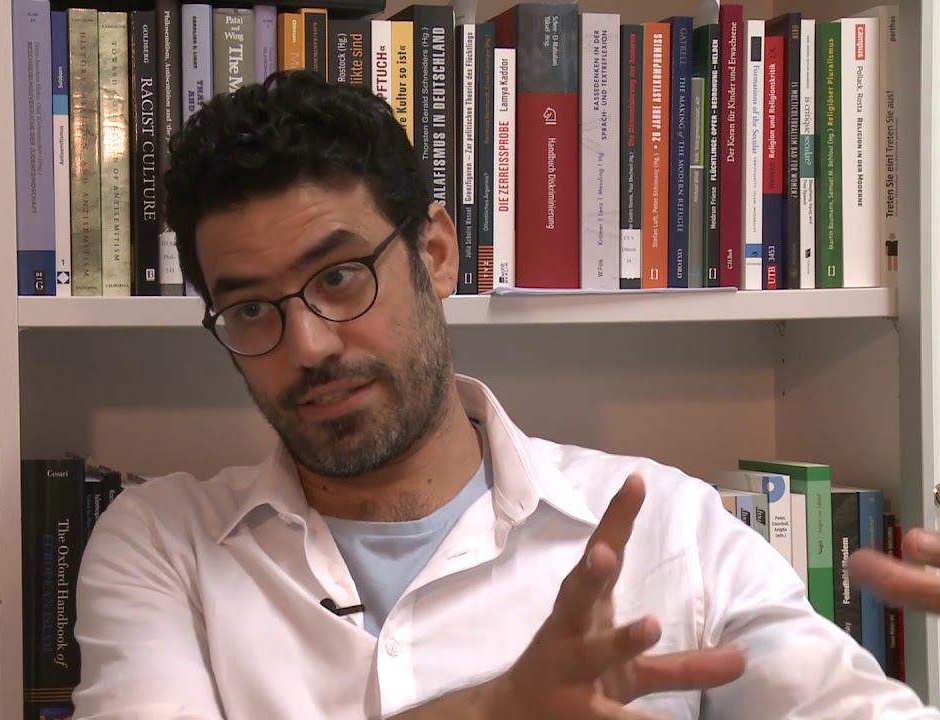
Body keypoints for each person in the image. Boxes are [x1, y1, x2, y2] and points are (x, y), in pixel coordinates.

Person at [70, 69, 939, 719]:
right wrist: (493, 710)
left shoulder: (666, 529)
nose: (308, 345)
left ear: (436, 254)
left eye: (339, 277)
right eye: (252, 309)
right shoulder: (161, 546)